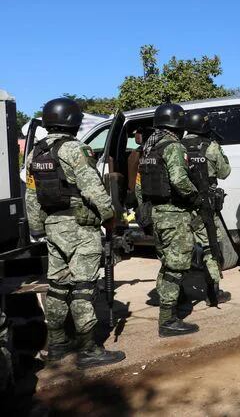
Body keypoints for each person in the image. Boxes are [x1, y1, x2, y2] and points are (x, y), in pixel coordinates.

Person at [24, 97, 126, 368]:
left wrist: (37, 227)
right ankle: (89, 349)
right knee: (82, 288)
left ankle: (57, 344)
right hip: (81, 229)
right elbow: (93, 189)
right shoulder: (75, 150)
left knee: (57, 287)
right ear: (73, 121)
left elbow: (31, 196)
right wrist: (110, 217)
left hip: (53, 228)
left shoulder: (37, 153)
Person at [138, 103, 204, 337]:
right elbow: (179, 180)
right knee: (176, 267)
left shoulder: (149, 148)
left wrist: (145, 211)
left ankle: (171, 307)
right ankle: (167, 320)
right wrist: (196, 198)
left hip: (157, 214)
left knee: (167, 263)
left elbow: (139, 185)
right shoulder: (174, 147)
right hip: (174, 214)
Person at [183, 110, 233, 306]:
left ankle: (178, 293)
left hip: (183, 205)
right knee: (210, 246)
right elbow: (225, 172)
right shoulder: (211, 147)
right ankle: (213, 292)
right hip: (205, 205)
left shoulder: (178, 146)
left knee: (181, 249)